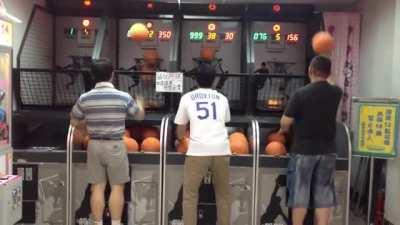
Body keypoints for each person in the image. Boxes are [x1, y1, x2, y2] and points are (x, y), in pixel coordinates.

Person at [70, 58, 145, 225]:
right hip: (116, 145)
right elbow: (139, 116)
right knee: (117, 186)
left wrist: (88, 121)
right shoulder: (123, 96)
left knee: (97, 187)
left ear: (93, 76)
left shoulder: (85, 98)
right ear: (112, 75)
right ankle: (116, 222)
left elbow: (74, 121)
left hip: (94, 145)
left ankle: (97, 223)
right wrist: (141, 105)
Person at [278, 56, 342, 225]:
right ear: (328, 73)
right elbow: (333, 82)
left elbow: (286, 122)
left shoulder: (301, 93)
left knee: (300, 195)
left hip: (303, 151)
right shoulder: (336, 92)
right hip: (328, 151)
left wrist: (283, 131)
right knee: (323, 195)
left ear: (310, 71)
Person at [174, 63, 231, 225]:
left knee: (190, 195)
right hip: (221, 149)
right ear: (214, 80)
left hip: (197, 151)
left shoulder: (187, 98)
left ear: (195, 79)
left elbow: (180, 129)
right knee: (223, 195)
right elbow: (226, 120)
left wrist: (181, 140)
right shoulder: (222, 98)